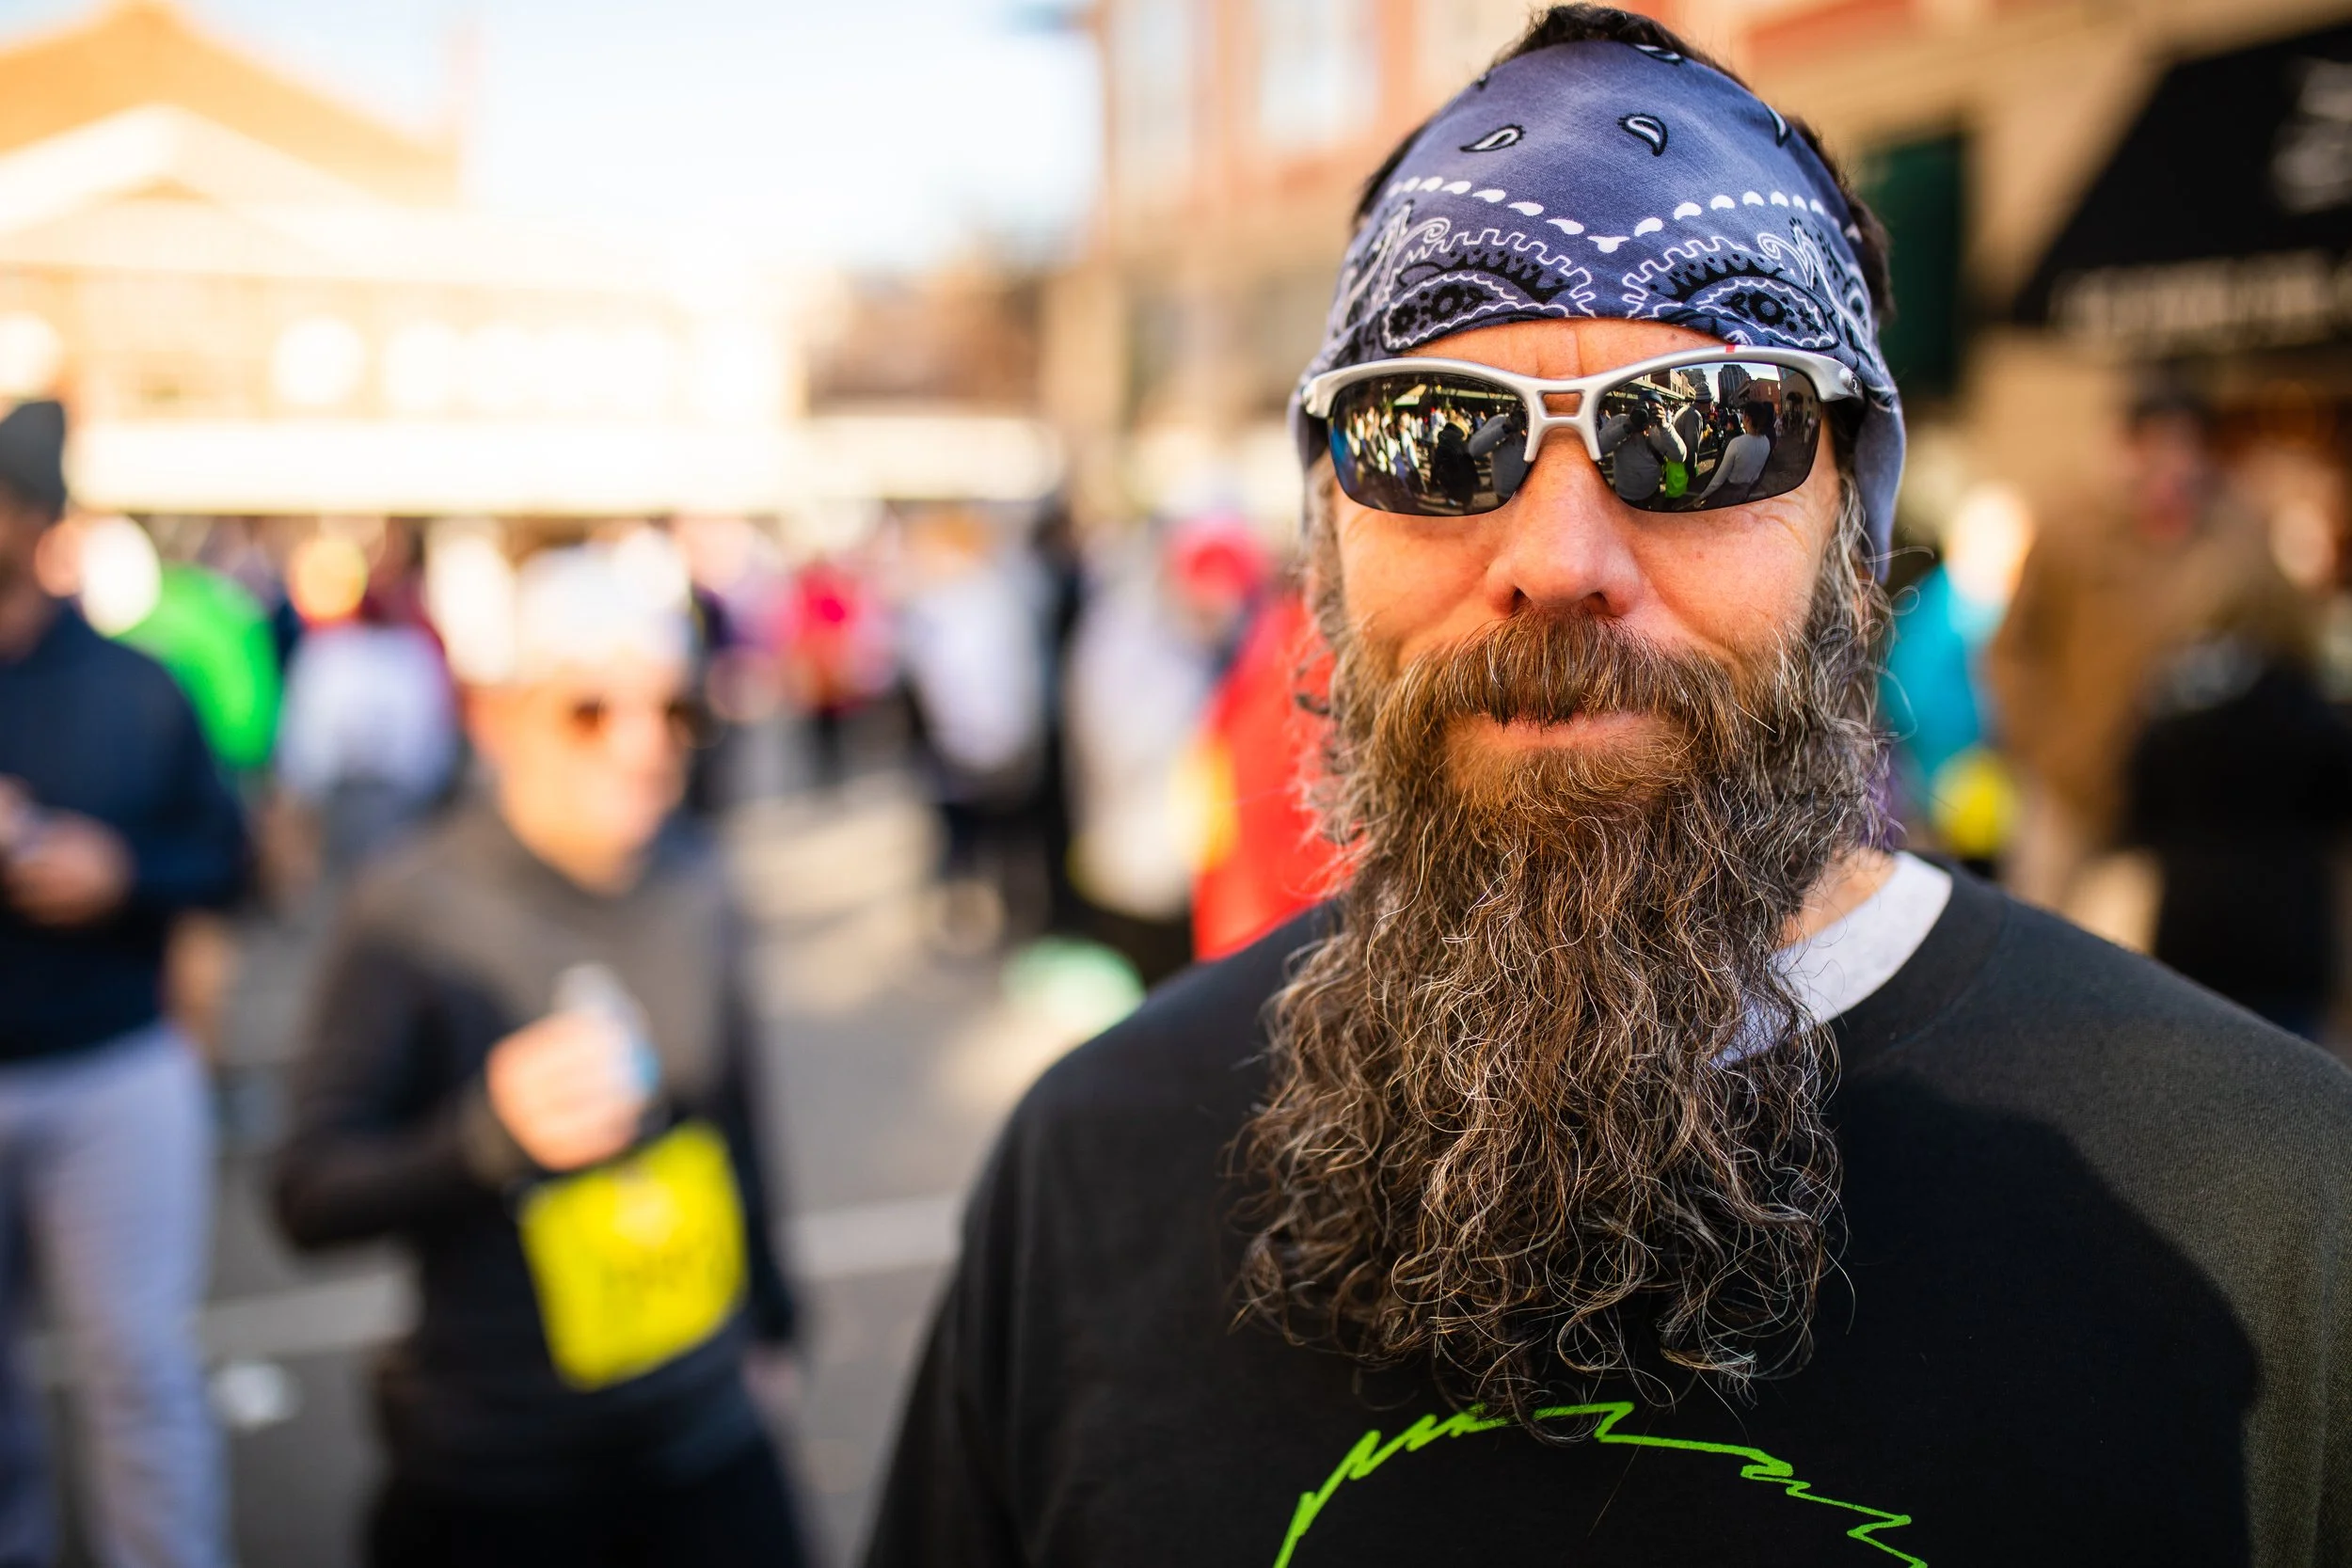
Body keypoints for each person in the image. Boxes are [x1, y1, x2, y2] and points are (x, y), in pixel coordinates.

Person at [864, 10, 2352, 1564]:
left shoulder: (2272, 1218)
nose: (1559, 563)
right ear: (1326, 543)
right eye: (1436, 440)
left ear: (1856, 544)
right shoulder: (1092, 1168)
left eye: (1706, 432)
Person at [273, 546, 806, 1568]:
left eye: (674, 710)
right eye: (590, 710)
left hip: (704, 1428)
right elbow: (308, 1192)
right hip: (500, 1458)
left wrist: (777, 1324)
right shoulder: (410, 910)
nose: (643, 746)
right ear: (497, 716)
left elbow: (736, 1117)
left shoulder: (699, 877)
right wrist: (484, 1138)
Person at [0, 400, 245, 1568]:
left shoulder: (137, 686)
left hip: (111, 1063)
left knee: (138, 1372)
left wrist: (120, 870)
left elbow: (229, 857)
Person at [1988, 386, 2302, 913]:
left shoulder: (2238, 538)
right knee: (2040, 931)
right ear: (2127, 450)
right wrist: (2046, 747)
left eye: (2186, 447)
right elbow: (2014, 651)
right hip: (2071, 789)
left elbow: (2289, 648)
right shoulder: (2072, 528)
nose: (2171, 465)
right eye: (2155, 446)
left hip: (2186, 801)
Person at [1594, 399, 1682, 501]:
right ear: (1634, 408)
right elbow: (1597, 448)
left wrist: (1665, 426)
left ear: (1660, 411)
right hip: (1623, 494)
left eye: (1652, 410)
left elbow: (1680, 456)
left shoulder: (1661, 429)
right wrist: (1626, 428)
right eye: (1643, 408)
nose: (1646, 414)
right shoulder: (1621, 421)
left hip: (1651, 491)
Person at [1698, 399, 1773, 502]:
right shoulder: (1766, 442)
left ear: (1747, 417)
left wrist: (1702, 496)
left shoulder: (1737, 443)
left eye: (1743, 415)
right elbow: (1759, 473)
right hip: (1746, 493)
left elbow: (1718, 479)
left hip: (1729, 494)